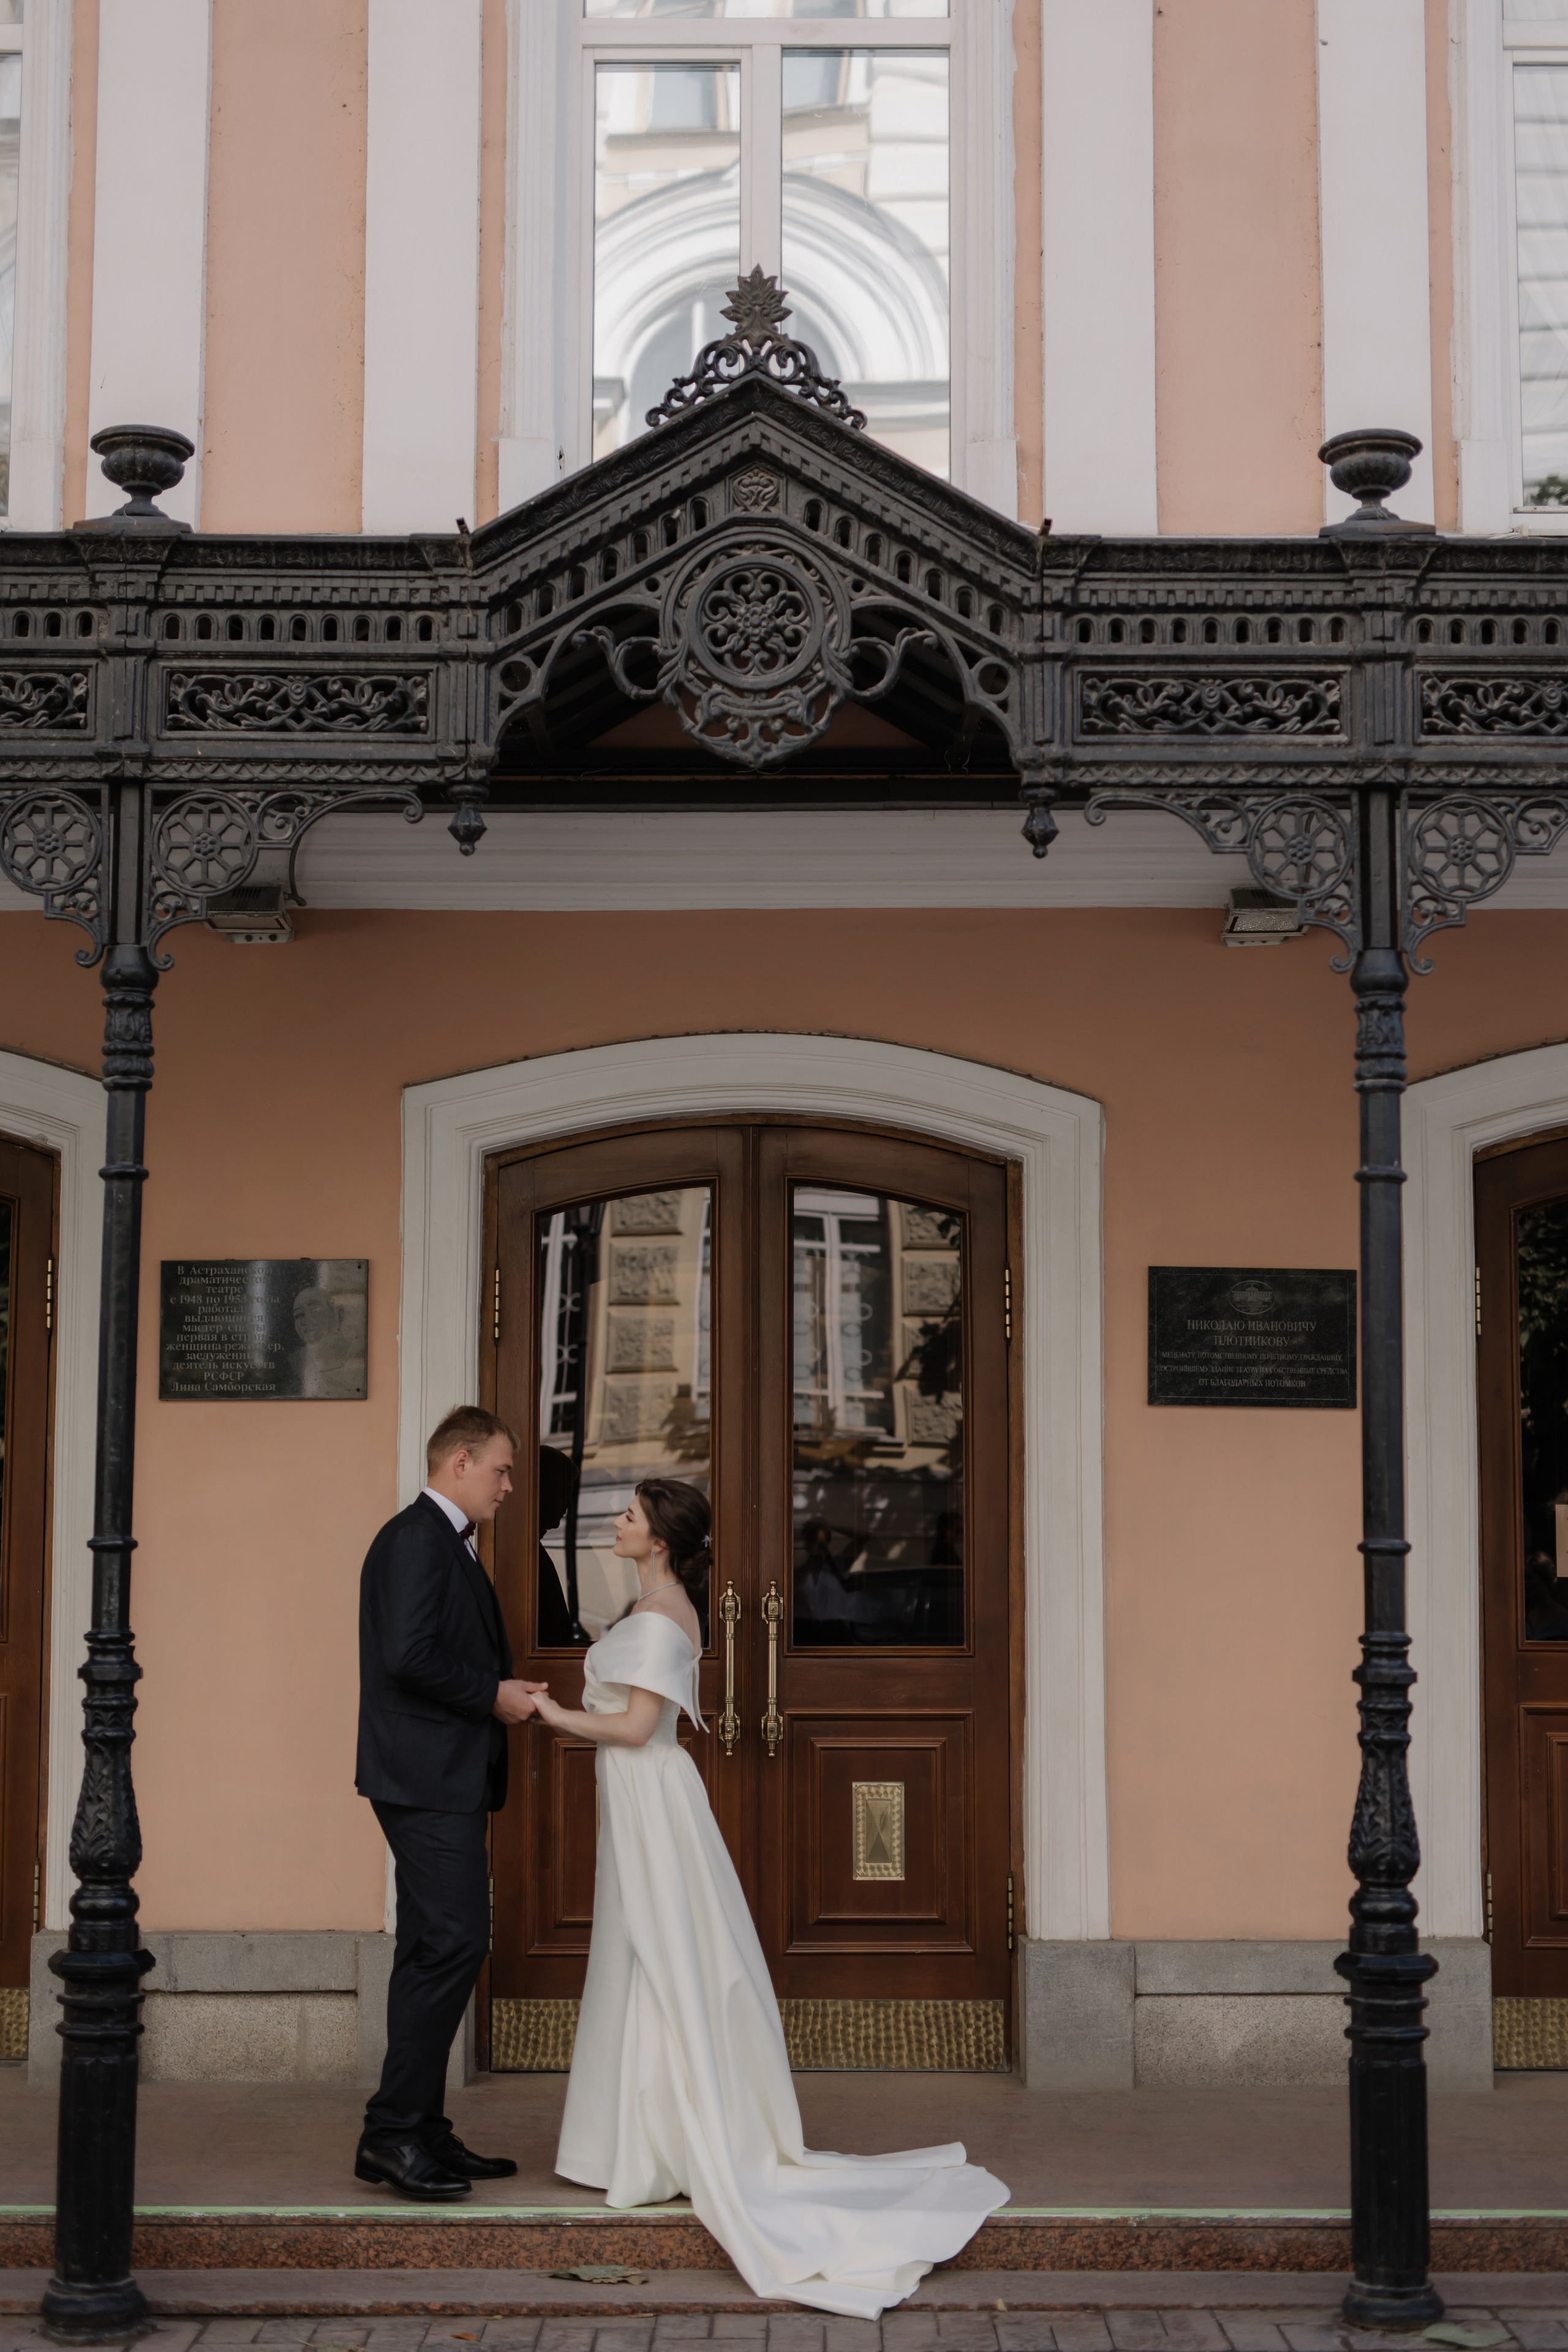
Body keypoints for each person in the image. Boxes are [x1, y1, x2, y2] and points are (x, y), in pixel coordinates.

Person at [530, 1476, 1008, 2317]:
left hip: (650, 1794)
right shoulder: (655, 1606)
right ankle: (640, 2142)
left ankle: (660, 2142)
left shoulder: (661, 1617)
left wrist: (556, 1716)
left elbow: (636, 1727)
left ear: (661, 1539)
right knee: (646, 1957)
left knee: (665, 1956)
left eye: (632, 1515)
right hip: (640, 1797)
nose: (619, 1521)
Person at [354, 1405, 539, 2201]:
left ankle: (419, 2130)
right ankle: (393, 2134)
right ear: (460, 1462)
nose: (508, 1486)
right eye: (501, 1469)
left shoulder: (440, 1541)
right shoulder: (415, 1540)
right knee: (456, 1941)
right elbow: (407, 1657)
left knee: (431, 1944)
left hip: (435, 1776)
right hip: (423, 1778)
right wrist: (492, 1694)